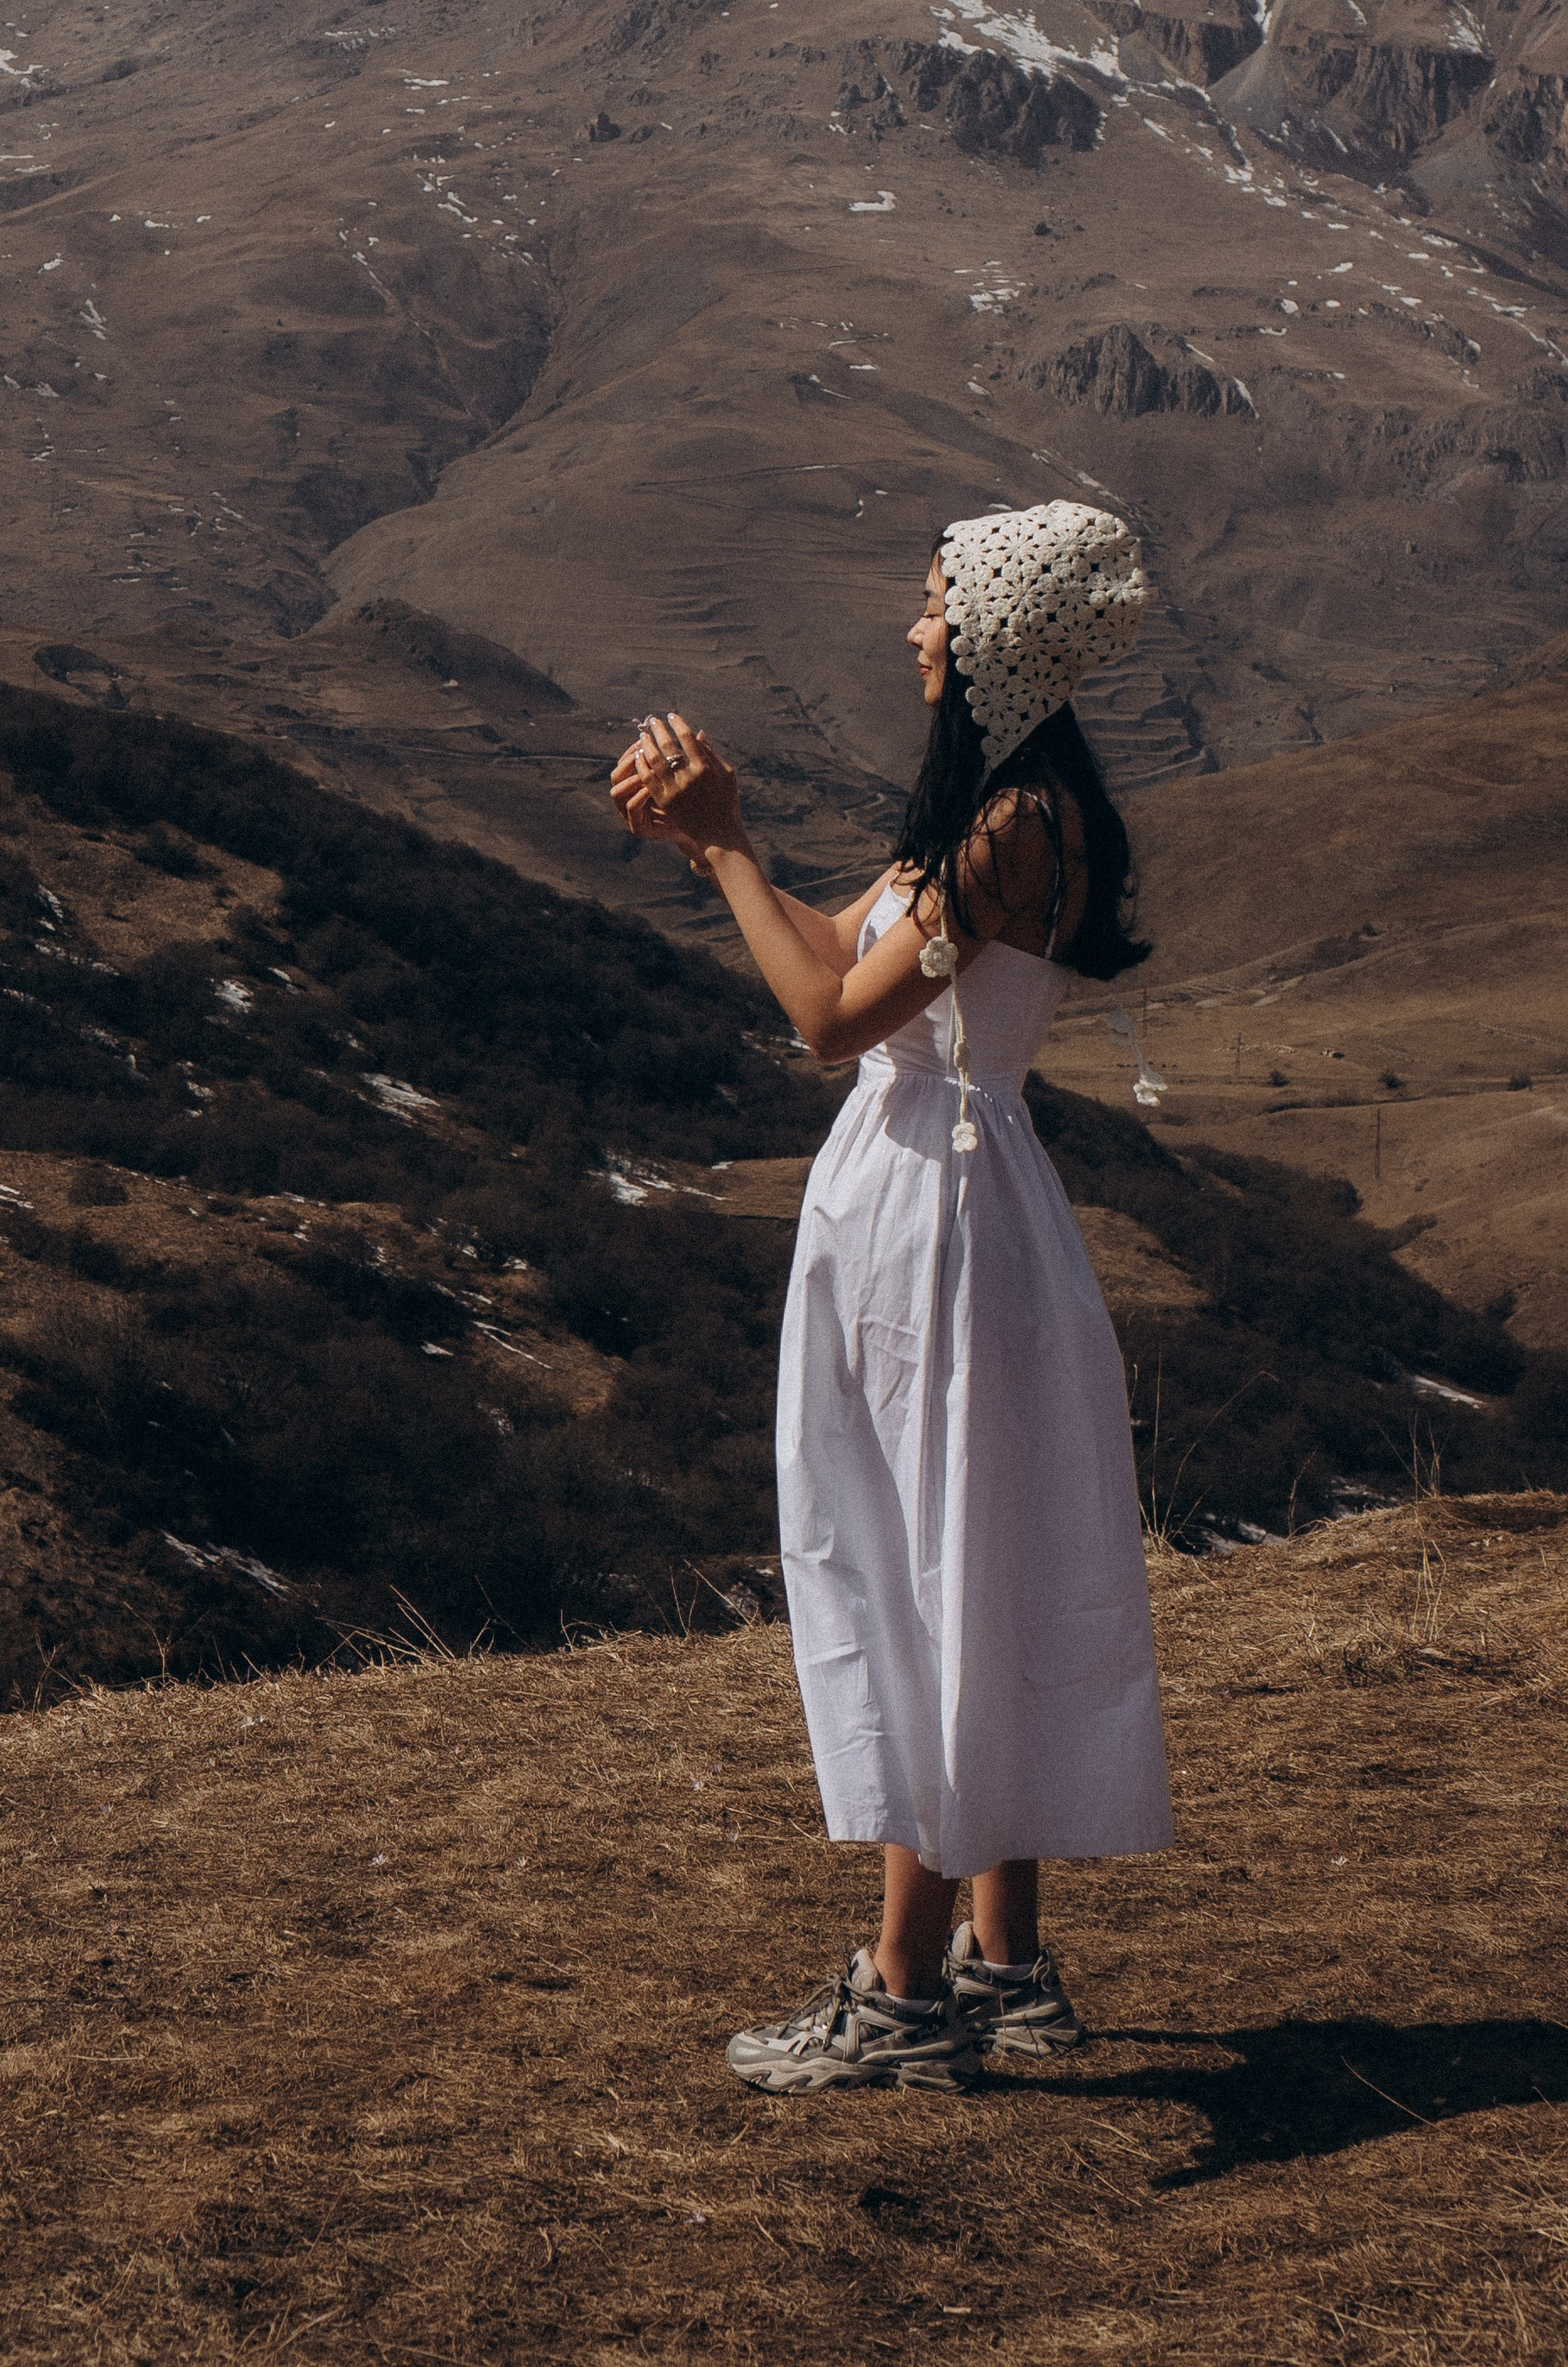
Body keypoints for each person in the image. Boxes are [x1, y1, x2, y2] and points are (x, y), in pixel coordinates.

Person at [610, 500, 1172, 2095]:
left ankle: (901, 1992)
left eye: (935, 605)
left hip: (938, 1225)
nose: (914, 630)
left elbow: (827, 1019)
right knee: (967, 1556)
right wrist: (720, 853)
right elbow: (842, 950)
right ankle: (1004, 1964)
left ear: (995, 636)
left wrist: (723, 842)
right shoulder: (1004, 812)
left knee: (927, 1572)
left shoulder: (1004, 832)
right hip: (942, 1206)